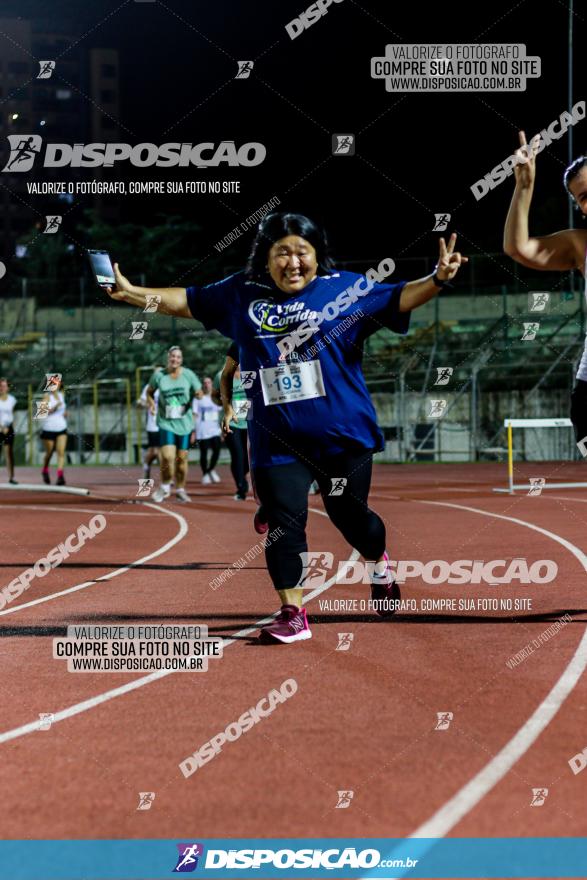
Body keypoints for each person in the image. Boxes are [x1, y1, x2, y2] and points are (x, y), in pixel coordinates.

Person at [106, 212, 466, 643]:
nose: (293, 263)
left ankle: (379, 563)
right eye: (282, 253)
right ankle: (292, 611)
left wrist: (438, 279)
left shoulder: (345, 289)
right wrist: (133, 294)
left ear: (318, 256)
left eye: (302, 253)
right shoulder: (242, 293)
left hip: (341, 435)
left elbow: (400, 298)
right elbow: (187, 300)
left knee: (351, 518)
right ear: (266, 257)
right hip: (276, 439)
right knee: (284, 521)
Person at [504, 134, 587, 447]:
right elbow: (518, 248)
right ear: (580, 207)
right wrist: (524, 187)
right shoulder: (580, 246)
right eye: (584, 197)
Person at [215, 343, 268, 532]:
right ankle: (241, 487)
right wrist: (226, 408)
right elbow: (217, 393)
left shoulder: (250, 372)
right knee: (238, 455)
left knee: (248, 459)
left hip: (254, 419)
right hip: (238, 422)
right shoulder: (225, 373)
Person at [148, 346, 202, 504]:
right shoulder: (159, 376)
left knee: (181, 461)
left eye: (178, 357)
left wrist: (198, 394)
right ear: (168, 358)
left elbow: (199, 392)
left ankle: (180, 490)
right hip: (166, 422)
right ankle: (164, 486)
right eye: (173, 357)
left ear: (181, 359)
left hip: (184, 424)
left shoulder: (189, 375)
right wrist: (151, 404)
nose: (175, 360)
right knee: (167, 457)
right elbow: (149, 392)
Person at [191, 376, 222, 484]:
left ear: (212, 384)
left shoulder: (216, 397)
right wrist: (193, 431)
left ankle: (210, 469)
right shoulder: (198, 398)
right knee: (203, 453)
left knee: (217, 450)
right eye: (204, 382)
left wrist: (223, 429)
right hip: (202, 430)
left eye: (208, 382)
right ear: (202, 385)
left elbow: (221, 413)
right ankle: (205, 474)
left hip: (215, 430)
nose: (206, 384)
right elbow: (194, 414)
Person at [40, 375, 68, 485]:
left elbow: (63, 410)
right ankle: (45, 470)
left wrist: (65, 413)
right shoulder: (46, 396)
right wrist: (55, 408)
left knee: (61, 452)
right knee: (49, 453)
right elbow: (41, 413)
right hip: (49, 429)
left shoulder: (62, 395)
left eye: (56, 383)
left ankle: (60, 476)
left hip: (61, 427)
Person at [138, 366, 162, 480]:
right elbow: (141, 401)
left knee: (166, 451)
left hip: (166, 424)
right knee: (155, 451)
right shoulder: (149, 387)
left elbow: (174, 403)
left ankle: (166, 477)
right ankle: (147, 465)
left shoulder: (168, 387)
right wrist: (146, 404)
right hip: (153, 424)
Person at [0, 378, 18, 484]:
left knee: (9, 453)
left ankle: (11, 477)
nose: (2, 388)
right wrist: (2, 427)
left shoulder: (12, 399)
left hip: (9, 428)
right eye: (0, 386)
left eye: (4, 386)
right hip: (0, 428)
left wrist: (11, 425)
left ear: (7, 388)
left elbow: (13, 414)